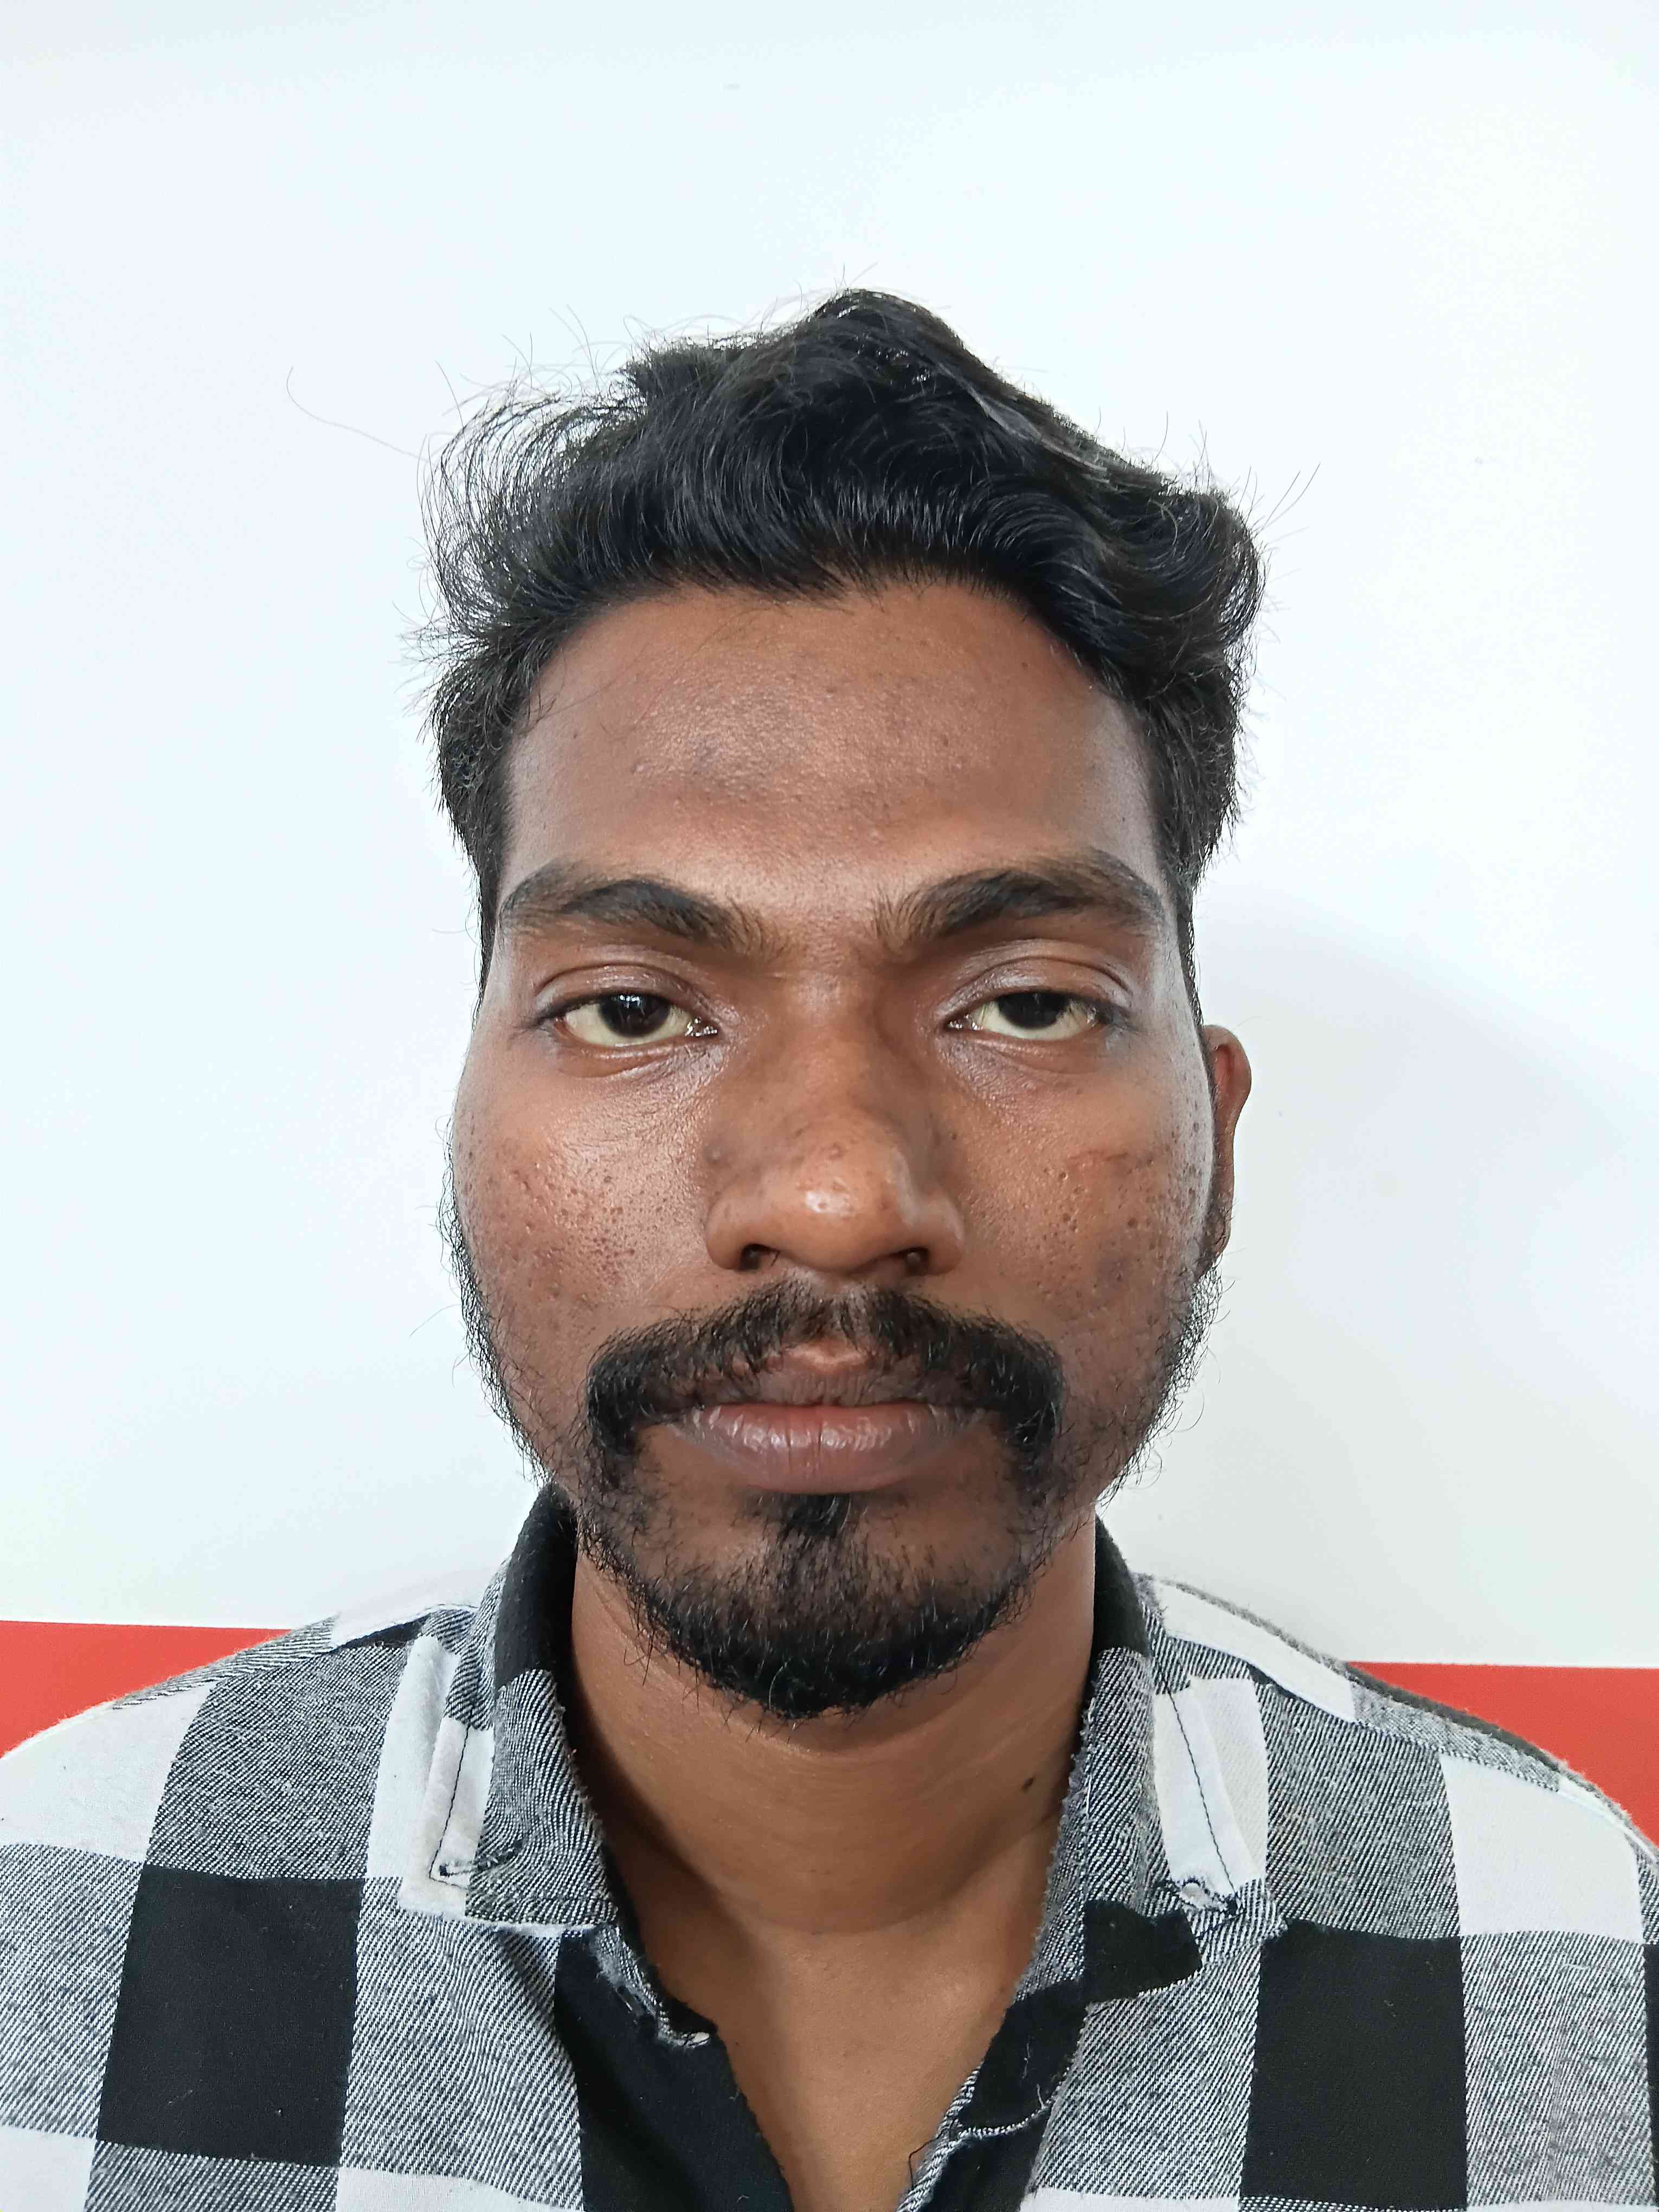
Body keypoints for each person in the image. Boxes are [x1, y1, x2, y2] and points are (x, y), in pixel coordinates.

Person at [2, 291, 1653, 2212]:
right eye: (633, 1009)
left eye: (1023, 1003)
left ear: (1215, 1142)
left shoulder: (1583, 1978)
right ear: (461, 1125)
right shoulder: (49, 1919)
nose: (835, 1196)